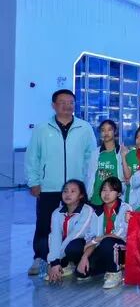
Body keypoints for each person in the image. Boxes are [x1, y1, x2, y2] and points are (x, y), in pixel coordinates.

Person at [26, 89, 97, 276]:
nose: (67, 106)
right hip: (49, 186)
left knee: (77, 224)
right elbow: (33, 157)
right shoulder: (42, 129)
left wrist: (87, 184)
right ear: (54, 105)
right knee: (44, 224)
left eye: (71, 102)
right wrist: (33, 182)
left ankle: (69, 259)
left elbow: (91, 158)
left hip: (76, 188)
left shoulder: (84, 128)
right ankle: (40, 257)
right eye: (62, 102)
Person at [77, 177, 132, 289]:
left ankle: (115, 273)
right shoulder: (97, 212)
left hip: (124, 250)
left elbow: (120, 234)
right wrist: (84, 257)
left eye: (111, 190)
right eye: (104, 190)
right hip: (102, 246)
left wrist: (98, 239)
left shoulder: (126, 209)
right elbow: (91, 237)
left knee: (107, 242)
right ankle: (105, 267)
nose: (106, 194)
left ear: (119, 194)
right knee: (82, 273)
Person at [45, 179, 95, 283]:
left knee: (73, 246)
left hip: (87, 247)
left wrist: (55, 260)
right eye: (65, 191)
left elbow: (75, 235)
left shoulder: (87, 210)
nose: (68, 194)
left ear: (81, 195)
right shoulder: (57, 212)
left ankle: (76, 264)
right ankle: (63, 266)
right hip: (65, 247)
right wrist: (53, 262)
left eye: (73, 191)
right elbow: (55, 236)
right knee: (43, 243)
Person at [87, 120, 129, 206]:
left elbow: (127, 177)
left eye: (109, 129)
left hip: (115, 200)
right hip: (96, 199)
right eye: (103, 130)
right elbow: (90, 176)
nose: (106, 133)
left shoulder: (122, 152)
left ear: (115, 132)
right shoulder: (95, 153)